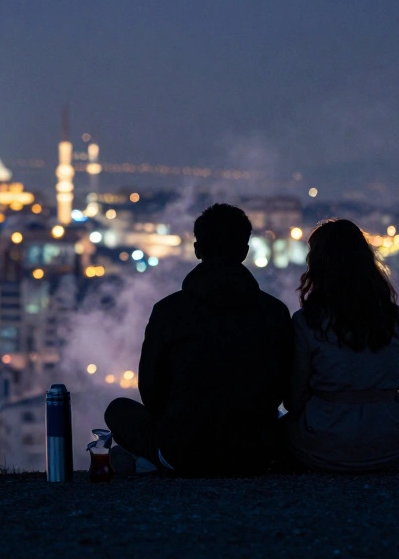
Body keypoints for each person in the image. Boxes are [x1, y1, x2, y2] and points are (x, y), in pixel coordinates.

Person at [104, 203, 293, 476]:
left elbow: (151, 394)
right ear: (245, 252)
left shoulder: (169, 311)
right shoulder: (274, 311)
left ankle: (151, 460)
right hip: (254, 453)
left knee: (118, 410)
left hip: (182, 450)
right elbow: (283, 391)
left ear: (197, 250)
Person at [284, 218, 399, 472]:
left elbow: (294, 397)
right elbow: (398, 373)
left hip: (325, 442)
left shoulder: (308, 322)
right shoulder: (393, 318)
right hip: (391, 443)